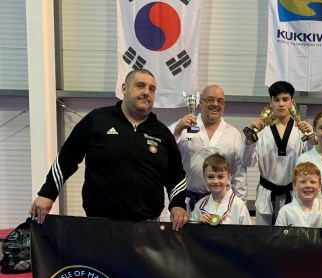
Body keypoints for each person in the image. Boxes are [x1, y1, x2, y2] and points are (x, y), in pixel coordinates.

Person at [30, 69, 188, 231]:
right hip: (100, 225)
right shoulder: (97, 120)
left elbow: (176, 173)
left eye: (151, 89)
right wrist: (47, 194)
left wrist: (177, 204)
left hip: (148, 227)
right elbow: (66, 158)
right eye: (140, 86)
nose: (146, 92)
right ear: (124, 89)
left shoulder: (162, 133)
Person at [240, 81, 312, 225]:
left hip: (293, 195)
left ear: (292, 102)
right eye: (276, 100)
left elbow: (310, 162)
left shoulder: (301, 129)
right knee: (265, 240)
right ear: (270, 102)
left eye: (285, 99)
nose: (281, 104)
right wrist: (250, 138)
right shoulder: (261, 130)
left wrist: (311, 138)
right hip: (266, 194)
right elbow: (248, 162)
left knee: (291, 241)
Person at [171, 85, 247, 213]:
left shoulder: (233, 134)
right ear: (200, 102)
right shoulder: (182, 126)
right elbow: (165, 153)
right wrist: (177, 130)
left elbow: (239, 174)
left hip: (221, 203)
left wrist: (240, 206)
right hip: (187, 200)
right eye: (210, 99)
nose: (215, 104)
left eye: (220, 101)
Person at [190, 154, 252, 225]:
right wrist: (198, 223)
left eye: (220, 177)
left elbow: (247, 233)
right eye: (210, 177)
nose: (215, 181)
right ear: (204, 177)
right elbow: (192, 231)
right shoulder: (199, 205)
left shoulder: (238, 205)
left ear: (228, 177)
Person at [275, 162, 322, 228]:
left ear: (319, 187)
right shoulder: (285, 211)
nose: (308, 185)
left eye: (313, 182)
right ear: (294, 185)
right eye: (303, 182)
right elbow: (278, 237)